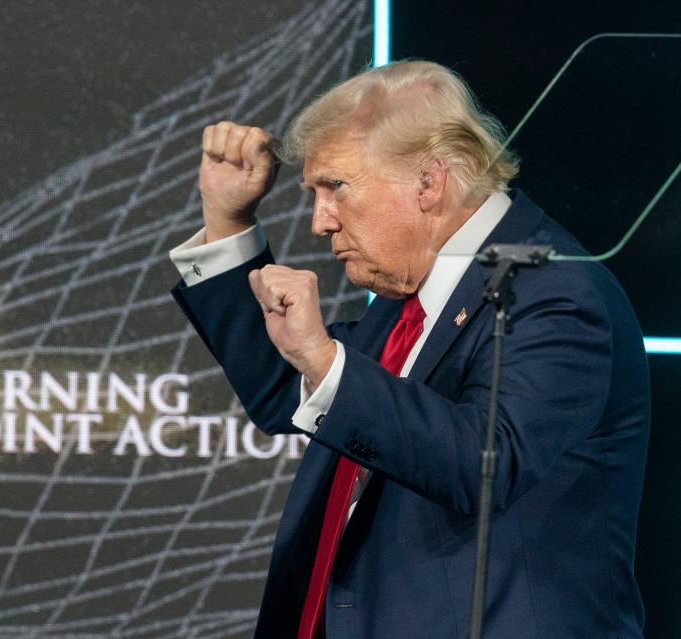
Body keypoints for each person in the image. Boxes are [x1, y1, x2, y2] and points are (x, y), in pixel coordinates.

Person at [168, 60, 649, 638]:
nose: (320, 222)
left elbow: (482, 461)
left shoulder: (557, 293)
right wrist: (228, 219)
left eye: (335, 189)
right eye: (313, 194)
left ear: (429, 181)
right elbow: (290, 386)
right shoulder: (412, 291)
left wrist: (323, 359)